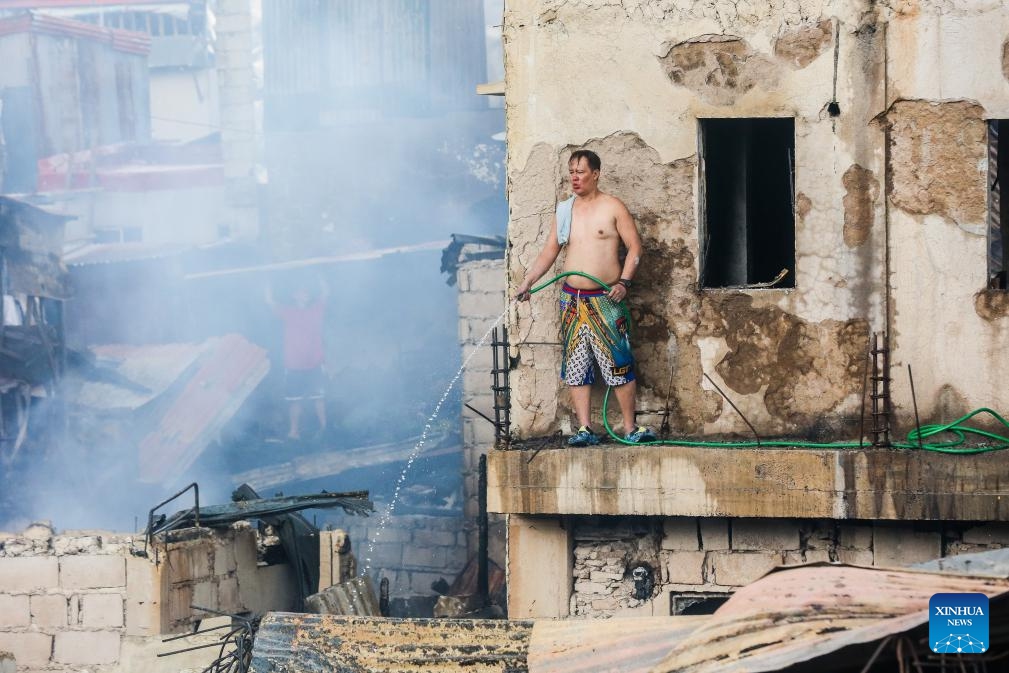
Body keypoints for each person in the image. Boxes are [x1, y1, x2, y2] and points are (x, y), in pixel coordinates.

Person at [514, 149, 656, 446]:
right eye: (571, 172)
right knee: (576, 364)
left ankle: (630, 428)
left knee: (618, 363)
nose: (575, 177)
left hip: (606, 300)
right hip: (572, 300)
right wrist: (528, 280)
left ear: (596, 174)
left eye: (580, 171)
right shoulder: (565, 210)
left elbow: (635, 249)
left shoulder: (613, 207)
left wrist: (624, 283)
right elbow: (549, 252)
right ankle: (585, 429)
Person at [266, 276, 328, 440]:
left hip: (315, 362)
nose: (305, 293)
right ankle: (294, 432)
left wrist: (321, 275)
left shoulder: (316, 309)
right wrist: (267, 283)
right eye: (301, 291)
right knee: (295, 400)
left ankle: (325, 428)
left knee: (319, 398)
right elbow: (270, 302)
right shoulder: (288, 312)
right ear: (295, 295)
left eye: (307, 291)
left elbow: (325, 294)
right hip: (294, 364)